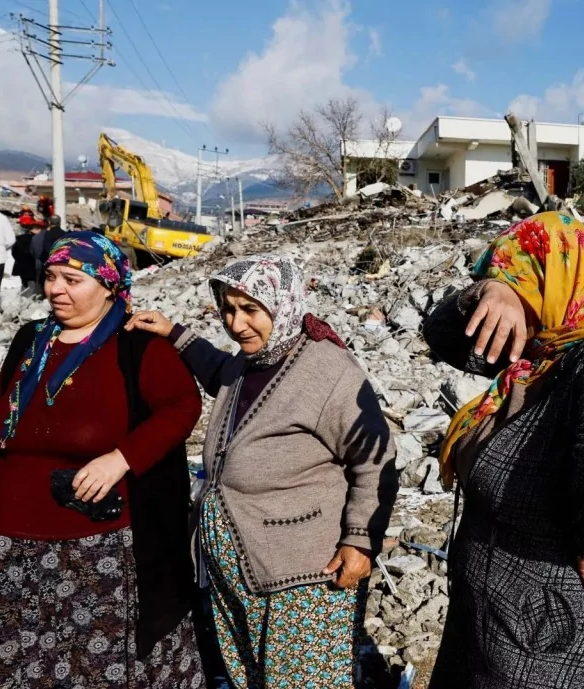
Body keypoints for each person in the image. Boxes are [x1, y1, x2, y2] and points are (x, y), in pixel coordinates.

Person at [421, 211, 584, 689]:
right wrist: (491, 292)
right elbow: (440, 335)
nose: (508, 293)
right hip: (507, 627)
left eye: (518, 276)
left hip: (561, 638)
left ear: (558, 278)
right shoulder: (545, 353)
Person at [126, 256, 398, 689]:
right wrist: (175, 334)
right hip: (242, 566)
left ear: (283, 304)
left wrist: (361, 540)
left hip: (304, 574)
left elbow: (375, 458)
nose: (236, 324)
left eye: (251, 310)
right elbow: (223, 375)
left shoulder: (327, 372)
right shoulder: (251, 361)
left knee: (305, 681)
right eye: (228, 310)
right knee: (252, 677)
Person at [0, 231, 205, 688]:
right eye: (52, 277)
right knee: (25, 656)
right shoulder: (32, 339)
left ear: (109, 284)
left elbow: (181, 407)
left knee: (100, 664)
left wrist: (121, 458)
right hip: (11, 538)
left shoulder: (137, 345)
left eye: (73, 279)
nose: (56, 289)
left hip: (99, 545)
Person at [31, 214, 65, 291]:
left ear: (49, 222)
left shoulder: (42, 235)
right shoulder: (65, 235)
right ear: (60, 222)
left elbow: (36, 251)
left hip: (45, 263)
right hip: (62, 263)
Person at [11, 223, 41, 296]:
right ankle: (27, 303)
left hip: (20, 265)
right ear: (35, 230)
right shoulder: (36, 239)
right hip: (32, 264)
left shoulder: (18, 238)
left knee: (24, 284)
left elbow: (13, 252)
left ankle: (22, 300)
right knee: (32, 285)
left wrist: (19, 260)